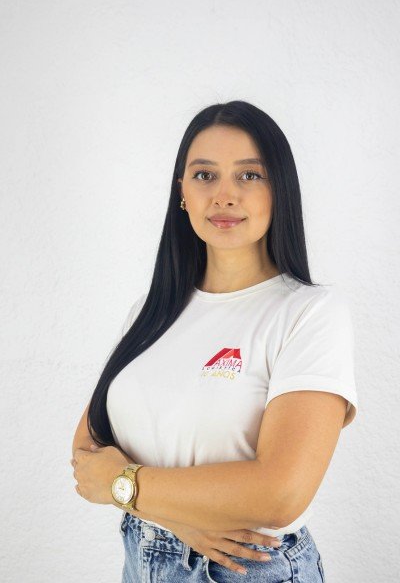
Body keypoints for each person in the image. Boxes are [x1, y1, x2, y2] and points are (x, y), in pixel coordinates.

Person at [72, 100, 357, 582]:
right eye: (205, 175)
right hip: (142, 559)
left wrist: (126, 485)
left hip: (248, 567)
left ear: (279, 190)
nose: (224, 196)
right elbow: (87, 456)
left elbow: (280, 494)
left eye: (249, 175)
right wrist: (179, 518)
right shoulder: (152, 310)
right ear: (181, 193)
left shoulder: (309, 313)